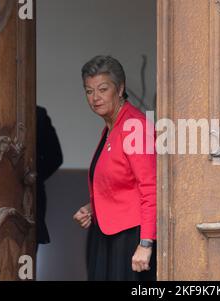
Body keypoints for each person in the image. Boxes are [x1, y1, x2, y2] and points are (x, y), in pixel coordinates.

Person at [73, 55, 157, 281]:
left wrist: (146, 244)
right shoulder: (111, 128)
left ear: (120, 89)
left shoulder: (134, 126)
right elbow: (121, 184)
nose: (95, 98)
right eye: (88, 91)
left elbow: (151, 188)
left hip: (130, 240)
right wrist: (91, 208)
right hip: (106, 235)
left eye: (102, 89)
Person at [36, 105, 63, 250]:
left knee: (26, 256)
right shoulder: (37, 114)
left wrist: (32, 177)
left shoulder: (37, 114)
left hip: (31, 196)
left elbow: (55, 158)